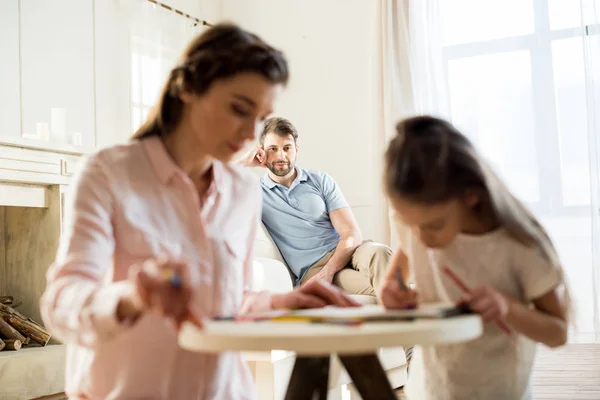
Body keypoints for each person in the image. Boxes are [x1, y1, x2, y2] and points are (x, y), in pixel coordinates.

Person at [40, 23, 357, 400]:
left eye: (260, 117)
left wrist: (279, 303)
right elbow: (62, 302)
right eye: (238, 108)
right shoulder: (108, 174)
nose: (249, 132)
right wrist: (133, 298)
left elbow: (229, 302)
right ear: (188, 88)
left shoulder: (241, 191)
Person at [379, 116, 570, 399]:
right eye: (408, 223)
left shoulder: (519, 245)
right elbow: (397, 273)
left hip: (498, 391)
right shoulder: (417, 225)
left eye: (434, 225)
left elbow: (558, 333)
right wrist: (390, 290)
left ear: (471, 196)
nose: (421, 239)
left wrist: (507, 307)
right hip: (429, 389)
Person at [239, 117, 392, 297]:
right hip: (314, 268)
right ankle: (403, 315)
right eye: (273, 149)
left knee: (381, 252)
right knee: (383, 287)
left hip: (350, 251)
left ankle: (402, 311)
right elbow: (209, 185)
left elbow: (351, 234)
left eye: (287, 148)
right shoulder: (255, 192)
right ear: (261, 152)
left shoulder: (320, 181)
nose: (281, 156)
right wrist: (243, 163)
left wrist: (329, 272)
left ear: (296, 149)